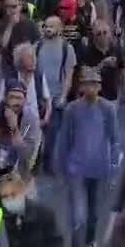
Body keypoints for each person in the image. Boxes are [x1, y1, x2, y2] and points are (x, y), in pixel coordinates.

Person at [55, 68, 119, 247]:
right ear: (82, 87)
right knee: (78, 215)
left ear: (99, 87)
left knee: (94, 212)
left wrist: (114, 171)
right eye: (87, 84)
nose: (91, 88)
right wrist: (60, 168)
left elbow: (114, 141)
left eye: (94, 84)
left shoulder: (108, 109)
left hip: (99, 168)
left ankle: (90, 241)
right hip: (76, 168)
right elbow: (64, 140)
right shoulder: (72, 109)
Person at [36, 16, 78, 174]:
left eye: (52, 26)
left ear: (60, 28)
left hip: (56, 96)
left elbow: (68, 75)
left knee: (52, 133)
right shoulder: (37, 46)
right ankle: (35, 162)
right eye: (46, 26)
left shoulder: (67, 48)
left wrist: (63, 96)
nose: (48, 29)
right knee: (37, 132)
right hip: (39, 97)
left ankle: (48, 164)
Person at [0, 172, 62, 247]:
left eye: (13, 194)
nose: (9, 199)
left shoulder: (44, 214)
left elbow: (56, 243)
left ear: (22, 191)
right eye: (5, 196)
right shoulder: (0, 219)